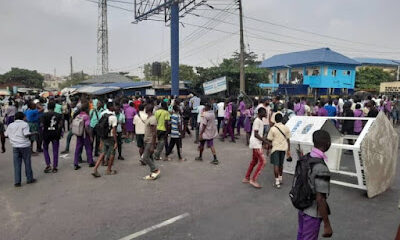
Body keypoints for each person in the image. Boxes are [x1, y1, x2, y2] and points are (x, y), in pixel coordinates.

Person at [297, 130, 333, 240]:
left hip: (302, 206)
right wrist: (327, 224)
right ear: (328, 144)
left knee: (301, 235)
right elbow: (320, 198)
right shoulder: (321, 168)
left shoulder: (306, 158)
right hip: (312, 212)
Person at [5, 112, 37, 187]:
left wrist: (13, 137)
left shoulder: (10, 125)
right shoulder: (25, 124)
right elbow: (26, 134)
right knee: (27, 162)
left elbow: (6, 135)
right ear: (23, 117)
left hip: (15, 146)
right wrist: (33, 133)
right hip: (24, 145)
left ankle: (17, 181)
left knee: (17, 164)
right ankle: (29, 179)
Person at [92, 102, 118, 177]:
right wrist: (116, 142)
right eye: (114, 106)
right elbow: (114, 131)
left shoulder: (102, 113)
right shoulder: (113, 117)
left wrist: (100, 139)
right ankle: (108, 170)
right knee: (112, 154)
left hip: (103, 136)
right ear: (111, 107)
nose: (115, 107)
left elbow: (100, 126)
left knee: (103, 153)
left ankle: (95, 169)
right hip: (110, 137)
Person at [242, 107, 266, 188]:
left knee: (254, 161)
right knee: (263, 162)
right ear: (260, 113)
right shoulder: (257, 121)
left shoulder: (259, 121)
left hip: (256, 143)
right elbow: (256, 134)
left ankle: (247, 177)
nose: (265, 114)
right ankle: (253, 180)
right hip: (256, 144)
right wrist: (265, 141)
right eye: (264, 112)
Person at [267, 113, 291, 189]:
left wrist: (268, 150)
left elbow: (269, 140)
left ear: (275, 120)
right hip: (283, 148)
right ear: (281, 119)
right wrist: (288, 150)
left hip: (275, 149)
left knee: (276, 165)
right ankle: (280, 178)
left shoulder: (273, 129)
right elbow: (288, 139)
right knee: (281, 164)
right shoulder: (286, 128)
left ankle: (277, 182)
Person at [41, 101, 63, 173]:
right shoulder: (58, 115)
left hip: (46, 134)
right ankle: (55, 167)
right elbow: (60, 125)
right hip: (55, 134)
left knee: (45, 149)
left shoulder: (44, 115)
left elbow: (42, 125)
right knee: (55, 150)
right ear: (54, 107)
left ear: (47, 107)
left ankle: (48, 164)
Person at [142, 104, 161, 180]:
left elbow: (154, 133)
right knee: (150, 157)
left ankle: (155, 170)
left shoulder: (152, 119)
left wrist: (153, 145)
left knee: (145, 157)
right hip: (146, 140)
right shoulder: (148, 117)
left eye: (146, 108)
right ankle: (153, 173)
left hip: (150, 141)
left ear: (148, 110)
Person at [74, 103, 95, 170]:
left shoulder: (78, 115)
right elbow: (87, 127)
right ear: (87, 109)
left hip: (79, 134)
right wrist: (90, 136)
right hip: (85, 135)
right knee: (88, 148)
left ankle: (75, 163)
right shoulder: (86, 116)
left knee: (77, 149)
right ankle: (90, 162)